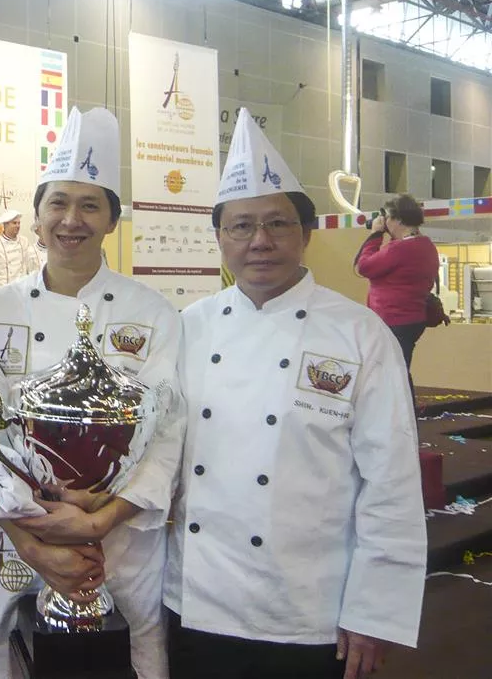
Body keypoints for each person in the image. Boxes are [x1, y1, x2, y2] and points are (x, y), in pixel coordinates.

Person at [164, 109, 427, 679]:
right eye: (241, 226)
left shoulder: (360, 334)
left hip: (311, 609)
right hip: (195, 600)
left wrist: (374, 609)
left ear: (307, 234)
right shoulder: (188, 327)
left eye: (278, 224)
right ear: (219, 237)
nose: (260, 241)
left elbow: (391, 481)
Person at [0, 106, 183, 679]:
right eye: (57, 203)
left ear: (112, 219)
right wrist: (32, 540)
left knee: (133, 661)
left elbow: (168, 431)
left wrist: (99, 520)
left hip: (120, 542)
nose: (71, 220)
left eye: (90, 205)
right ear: (37, 217)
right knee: (15, 659)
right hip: (20, 535)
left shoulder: (153, 313)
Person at [355, 193, 439, 408]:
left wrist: (375, 235)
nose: (385, 222)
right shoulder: (426, 245)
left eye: (388, 217)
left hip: (393, 320)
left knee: (392, 374)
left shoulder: (399, 249)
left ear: (399, 220)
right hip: (412, 319)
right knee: (399, 370)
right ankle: (403, 418)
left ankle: (401, 419)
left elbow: (363, 267)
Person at [0, 208, 33, 286]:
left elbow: (28, 263)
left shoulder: (24, 241)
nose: (18, 226)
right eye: (14, 223)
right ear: (6, 225)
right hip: (2, 287)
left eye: (19, 223)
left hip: (21, 286)